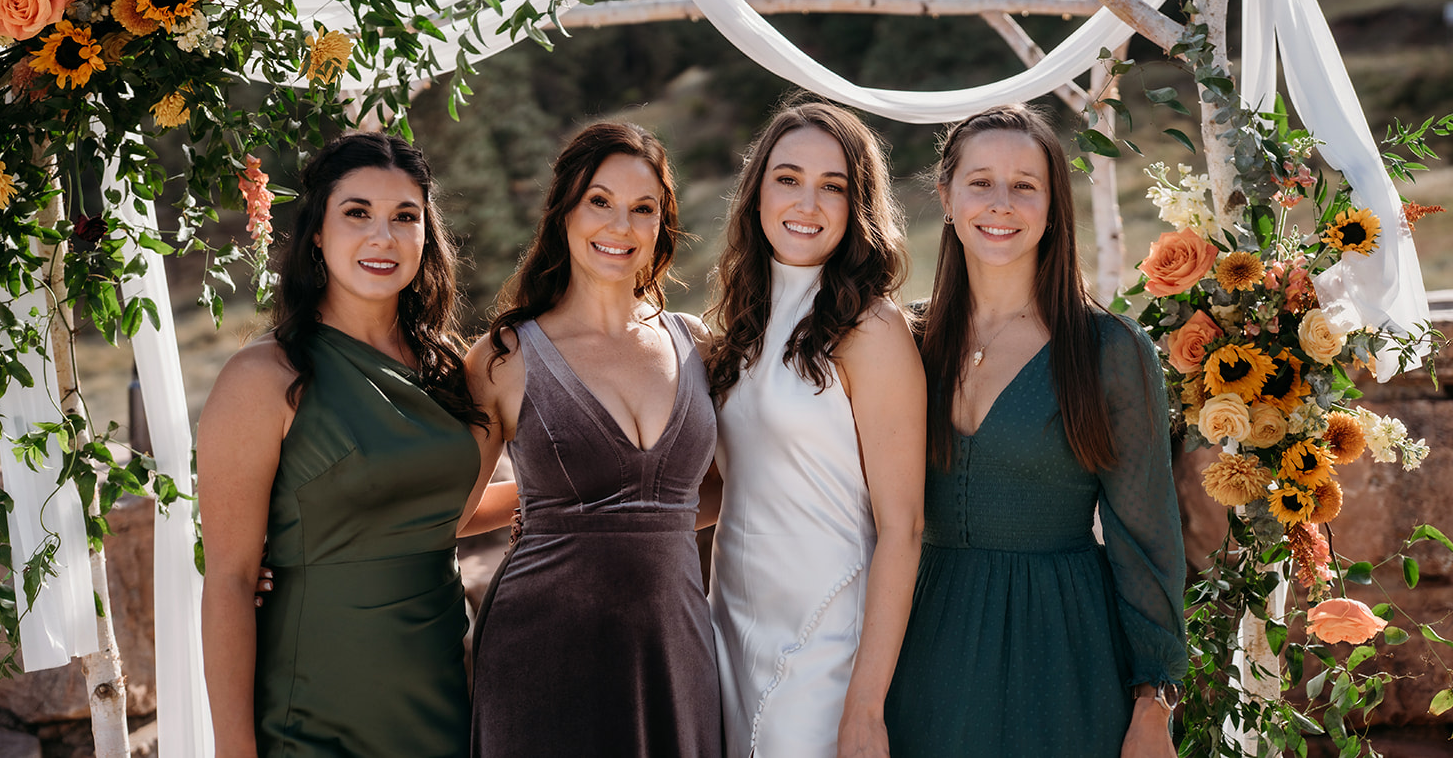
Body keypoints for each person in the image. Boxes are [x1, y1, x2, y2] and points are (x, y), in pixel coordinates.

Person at [883, 104, 1188, 758]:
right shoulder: (902, 340)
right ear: (945, 195)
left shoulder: (1108, 348)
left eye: (1025, 184)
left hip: (1063, 653)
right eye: (981, 181)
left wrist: (1153, 704)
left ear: (1053, 206)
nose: (1002, 203)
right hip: (919, 647)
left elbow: (1147, 539)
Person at [198, 133, 498, 758]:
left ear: (426, 234)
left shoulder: (449, 370)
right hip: (314, 707)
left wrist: (586, 494)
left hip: (441, 689)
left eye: (404, 217)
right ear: (316, 232)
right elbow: (229, 580)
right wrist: (233, 749)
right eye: (357, 213)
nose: (382, 238)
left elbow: (440, 516)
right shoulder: (264, 378)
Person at [466, 122, 722, 758]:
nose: (621, 226)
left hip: (676, 645)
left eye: (644, 209)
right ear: (564, 211)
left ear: (663, 224)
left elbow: (713, 495)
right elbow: (449, 513)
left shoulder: (697, 345)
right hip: (543, 649)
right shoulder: (505, 357)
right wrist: (558, 516)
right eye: (599, 201)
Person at [705, 100, 928, 758]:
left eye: (833, 186)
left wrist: (865, 704)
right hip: (732, 624)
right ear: (756, 191)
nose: (808, 201)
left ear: (857, 204)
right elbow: (737, 483)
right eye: (788, 177)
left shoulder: (872, 329)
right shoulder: (740, 325)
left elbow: (904, 527)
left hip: (827, 637)